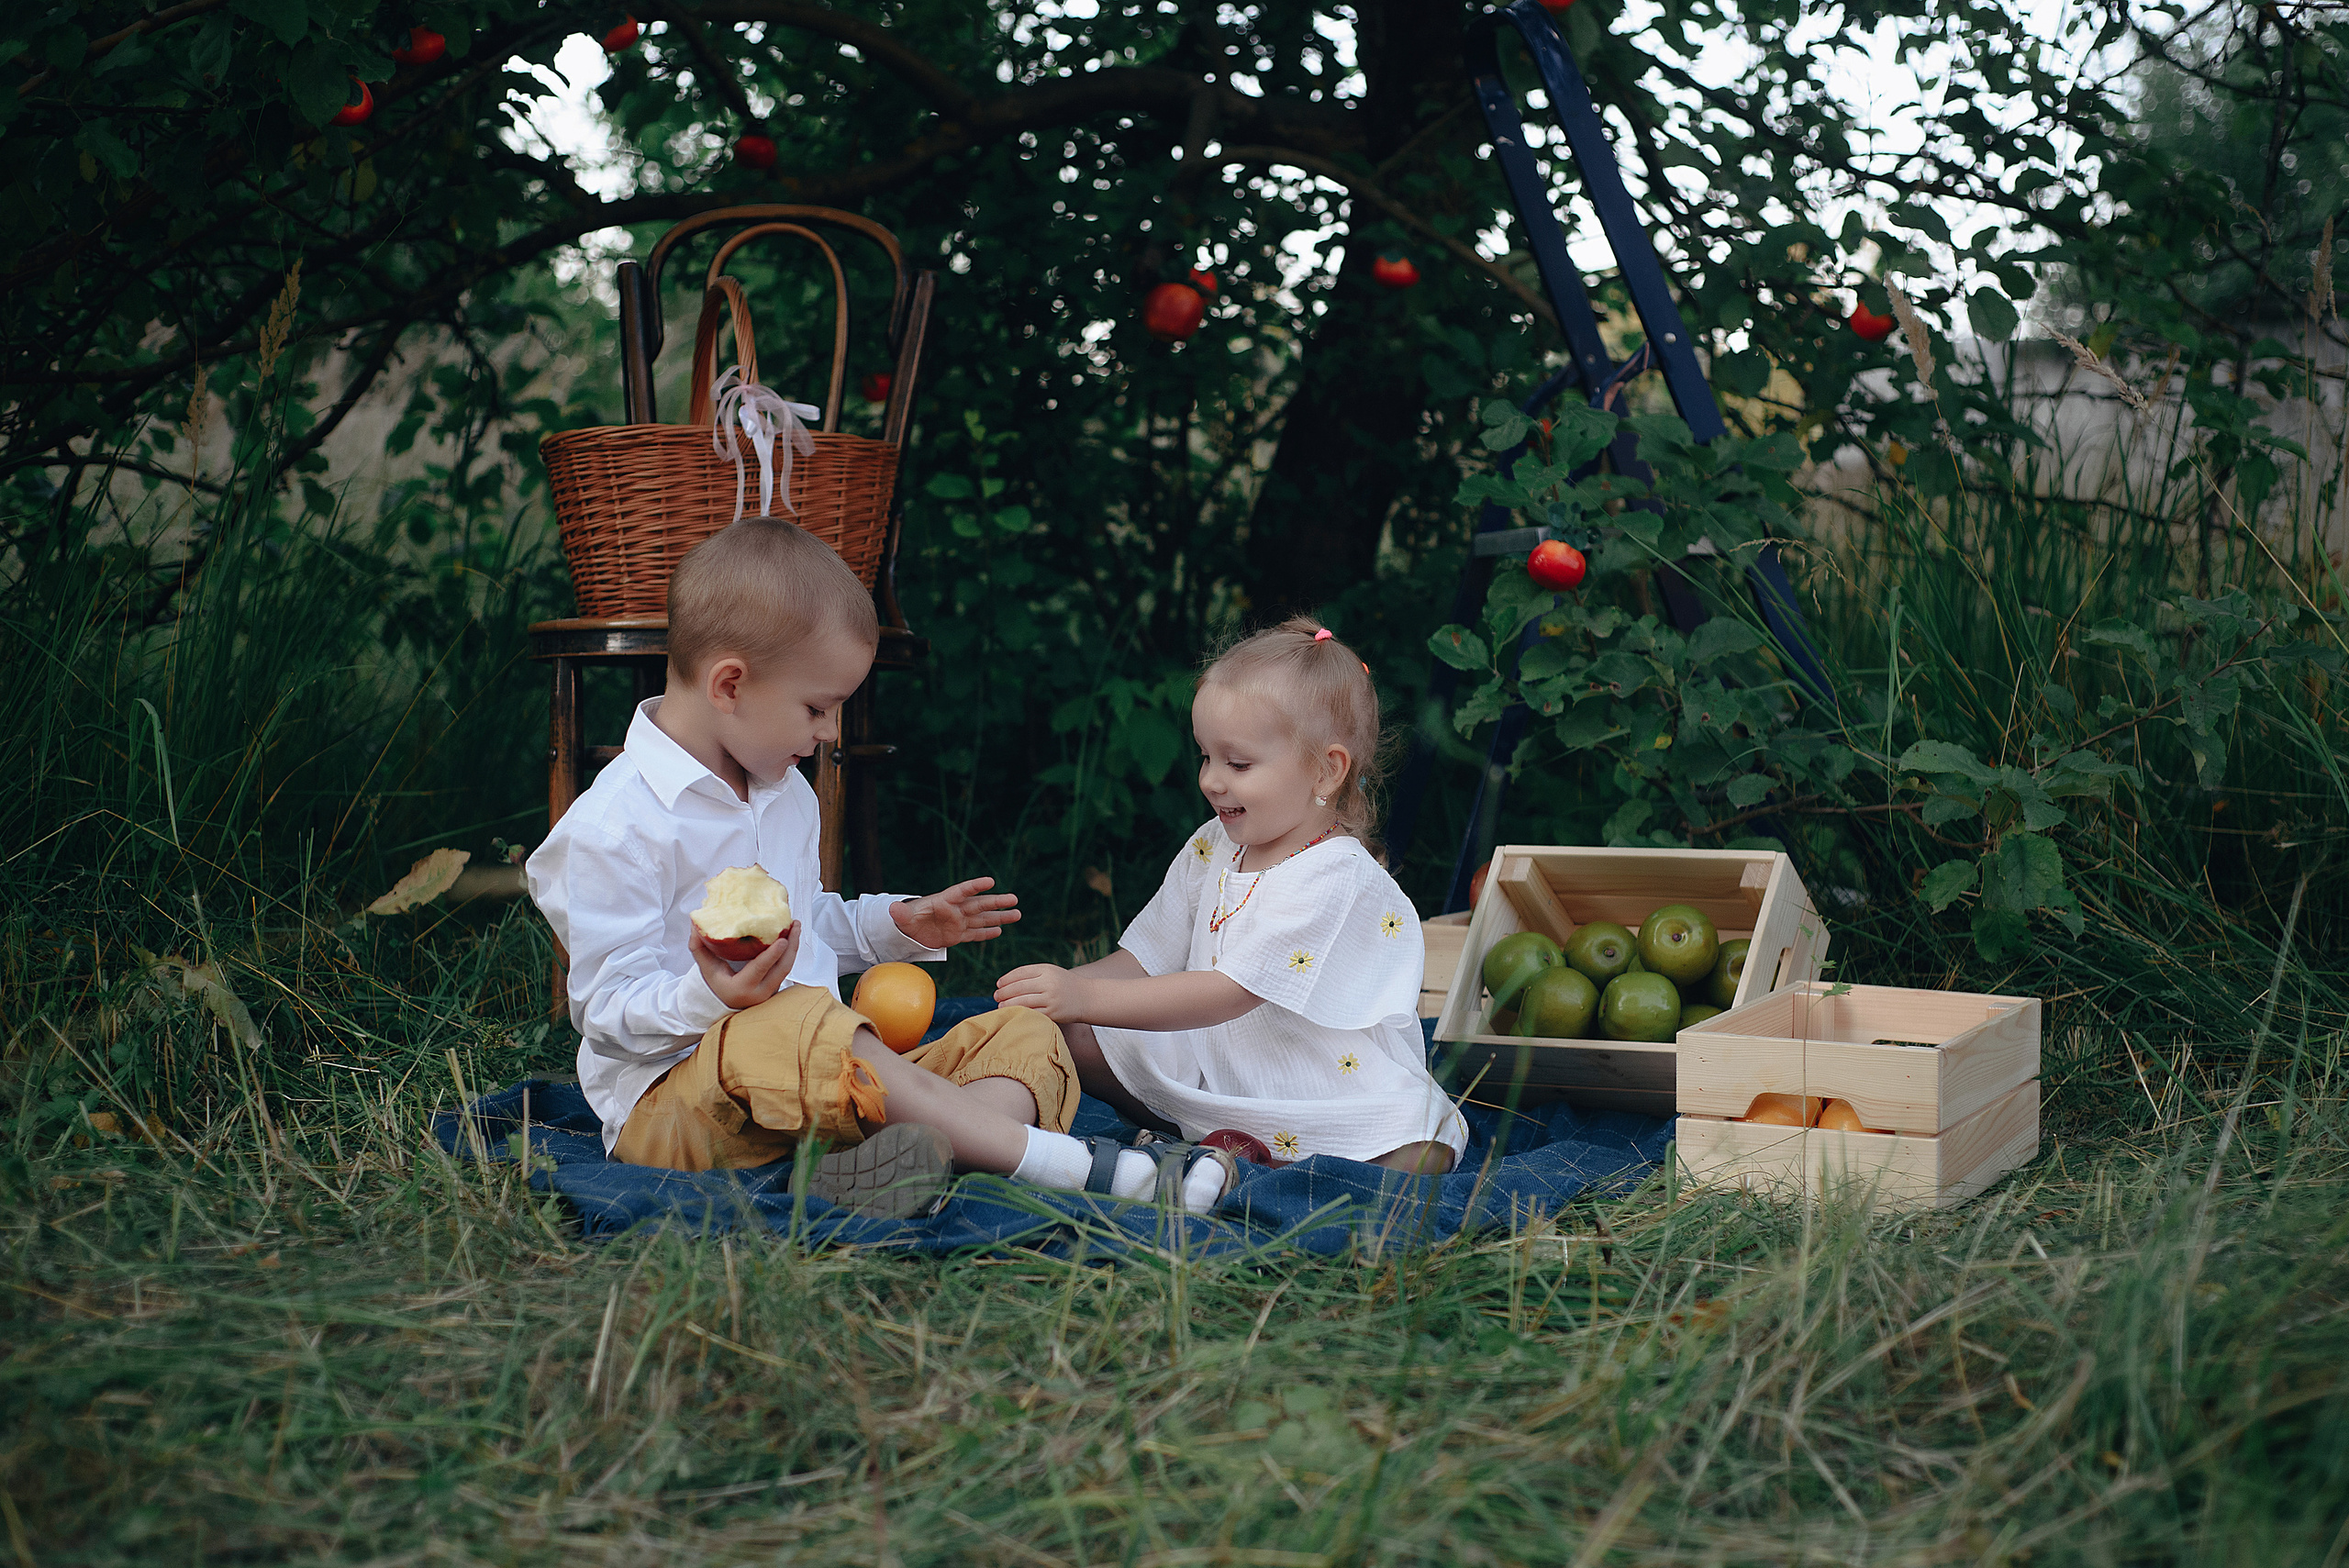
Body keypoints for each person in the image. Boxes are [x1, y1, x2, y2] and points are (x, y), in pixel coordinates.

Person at [526, 517, 1236, 1216]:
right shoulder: (614, 827)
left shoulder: (785, 791)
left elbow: (803, 927)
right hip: (684, 1109)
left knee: (1024, 1033)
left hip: (825, 1089)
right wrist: (712, 998)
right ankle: (1069, 1166)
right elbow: (605, 1011)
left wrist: (894, 925)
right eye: (818, 708)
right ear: (729, 685)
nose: (830, 731)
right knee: (792, 1017)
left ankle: (884, 1169)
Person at [994, 617, 1469, 1176]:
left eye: (1237, 763)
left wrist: (1081, 995)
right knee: (1070, 1029)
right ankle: (1199, 1134)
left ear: (1326, 770)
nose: (1211, 781)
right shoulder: (1214, 844)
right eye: (1205, 757)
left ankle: (1260, 1154)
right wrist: (1060, 991)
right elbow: (1147, 957)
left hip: (1312, 1082)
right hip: (1211, 1063)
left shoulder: (1336, 875)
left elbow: (1227, 994)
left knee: (1416, 1140)